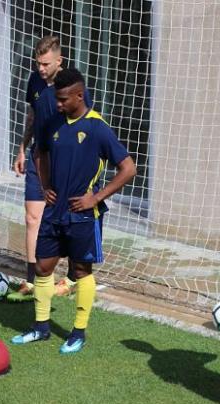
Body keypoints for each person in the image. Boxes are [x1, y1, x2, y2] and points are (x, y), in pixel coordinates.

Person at [11, 68, 136, 353]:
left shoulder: (97, 127)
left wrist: (96, 198)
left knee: (80, 270)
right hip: (54, 211)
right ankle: (41, 327)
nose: (58, 104)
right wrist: (44, 187)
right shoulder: (53, 123)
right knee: (43, 267)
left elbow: (128, 168)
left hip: (82, 214)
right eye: (57, 98)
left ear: (80, 96)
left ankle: (78, 332)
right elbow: (39, 152)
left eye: (64, 99)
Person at [10, 35, 92, 300]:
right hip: (38, 157)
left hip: (65, 161)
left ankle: (73, 277)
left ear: (59, 60)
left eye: (46, 64)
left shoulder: (70, 85)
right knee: (32, 217)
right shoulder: (34, 81)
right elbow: (32, 115)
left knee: (68, 219)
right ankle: (32, 281)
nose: (41, 69)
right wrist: (23, 147)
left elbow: (83, 121)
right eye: (38, 63)